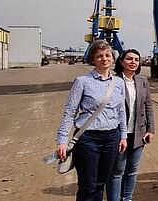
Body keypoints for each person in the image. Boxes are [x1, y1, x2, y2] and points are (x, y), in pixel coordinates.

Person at [56, 40, 127, 201]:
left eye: (107, 55)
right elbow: (69, 112)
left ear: (112, 58)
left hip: (111, 138)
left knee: (101, 184)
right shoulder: (82, 82)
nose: (104, 59)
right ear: (92, 59)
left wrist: (123, 135)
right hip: (88, 139)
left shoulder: (119, 82)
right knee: (88, 186)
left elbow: (121, 110)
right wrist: (62, 141)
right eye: (99, 56)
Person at [106, 49, 155, 201]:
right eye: (129, 59)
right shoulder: (113, 81)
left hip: (139, 132)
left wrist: (150, 129)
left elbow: (148, 105)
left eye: (136, 59)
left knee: (132, 170)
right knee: (117, 171)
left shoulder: (142, 81)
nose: (133, 62)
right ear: (121, 62)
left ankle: (127, 198)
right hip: (120, 133)